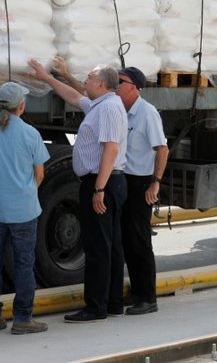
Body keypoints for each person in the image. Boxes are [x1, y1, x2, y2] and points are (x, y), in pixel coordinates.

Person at [53, 58, 168, 315]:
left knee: (135, 241)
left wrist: (155, 183)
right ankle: (118, 298)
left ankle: (145, 297)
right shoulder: (115, 106)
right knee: (118, 242)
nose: (117, 85)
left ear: (134, 87)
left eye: (122, 81)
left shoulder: (144, 112)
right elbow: (83, 94)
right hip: (121, 179)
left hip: (138, 182)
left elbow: (161, 148)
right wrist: (60, 76)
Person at [29, 58, 128, 323]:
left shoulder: (108, 109)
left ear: (102, 83)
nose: (84, 81)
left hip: (102, 182)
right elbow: (74, 97)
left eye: (89, 78)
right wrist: (48, 78)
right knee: (110, 245)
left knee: (97, 247)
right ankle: (113, 303)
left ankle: (96, 307)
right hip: (108, 182)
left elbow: (111, 149)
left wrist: (99, 189)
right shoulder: (101, 105)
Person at [0, 82, 50, 335]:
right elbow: (40, 174)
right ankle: (22, 318)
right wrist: (25, 191)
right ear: (22, 106)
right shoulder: (31, 134)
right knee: (23, 264)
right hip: (24, 210)